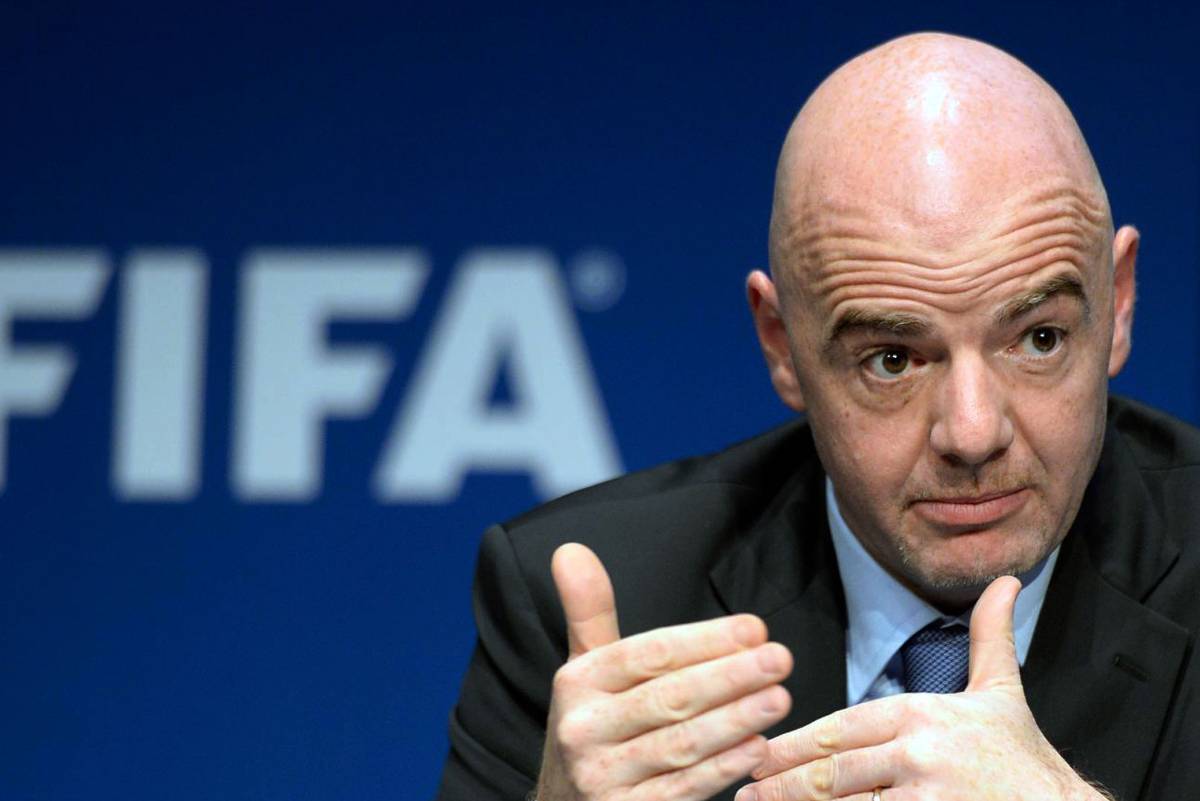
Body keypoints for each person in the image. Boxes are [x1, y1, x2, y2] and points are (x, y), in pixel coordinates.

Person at [435, 33, 1200, 801]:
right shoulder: (603, 627)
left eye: (1038, 339)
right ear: (780, 343)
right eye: (892, 359)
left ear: (1118, 303)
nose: (972, 434)